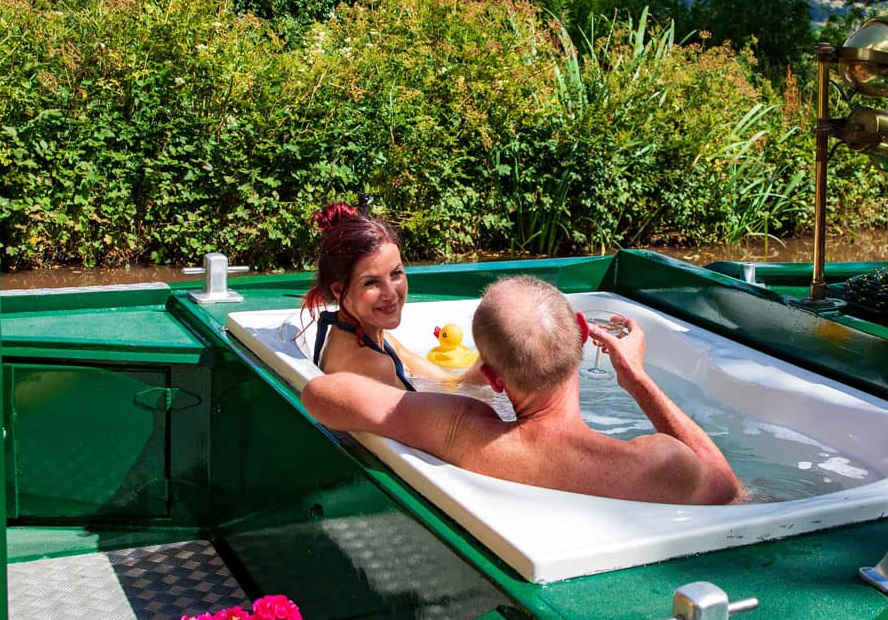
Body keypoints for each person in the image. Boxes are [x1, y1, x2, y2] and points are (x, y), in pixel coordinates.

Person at [302, 275, 740, 505]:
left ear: (492, 378)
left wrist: (437, 404)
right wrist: (638, 380)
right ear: (583, 334)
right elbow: (727, 486)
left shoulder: (460, 430)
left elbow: (320, 393)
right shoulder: (654, 464)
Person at [300, 202, 468, 392]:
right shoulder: (372, 364)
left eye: (396, 274)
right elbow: (433, 419)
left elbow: (450, 381)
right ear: (339, 291)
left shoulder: (365, 332)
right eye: (371, 282)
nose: (390, 293)